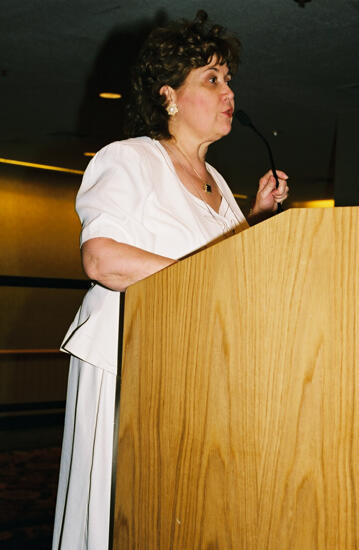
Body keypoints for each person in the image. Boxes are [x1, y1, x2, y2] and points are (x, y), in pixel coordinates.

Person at [52, 10, 288, 550]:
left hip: (191, 365)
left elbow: (223, 271)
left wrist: (253, 217)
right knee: (124, 513)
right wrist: (204, 277)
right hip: (129, 361)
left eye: (229, 79)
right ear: (170, 97)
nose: (229, 90)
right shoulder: (130, 159)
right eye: (212, 78)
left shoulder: (221, 187)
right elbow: (102, 259)